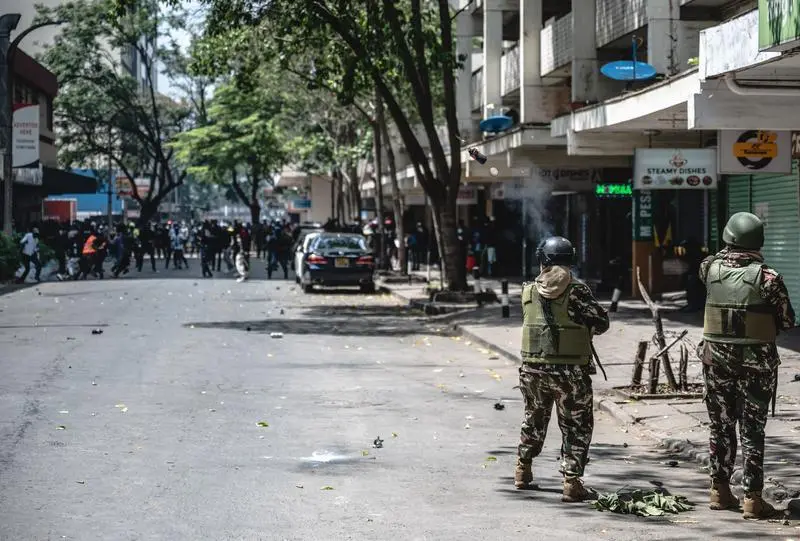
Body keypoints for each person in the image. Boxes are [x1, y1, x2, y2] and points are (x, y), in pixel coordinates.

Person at [699, 212, 794, 520]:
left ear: (727, 238)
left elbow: (712, 262)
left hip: (716, 362)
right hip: (756, 365)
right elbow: (788, 320)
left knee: (721, 426)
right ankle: (753, 499)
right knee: (752, 430)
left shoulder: (709, 269)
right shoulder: (769, 277)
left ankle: (720, 491)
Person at [515, 236, 609, 502]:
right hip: (570, 373)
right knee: (576, 425)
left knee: (533, 419)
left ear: (543, 260)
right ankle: (571, 482)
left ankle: (522, 470)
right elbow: (601, 322)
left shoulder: (528, 290)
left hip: (533, 370)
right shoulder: (578, 291)